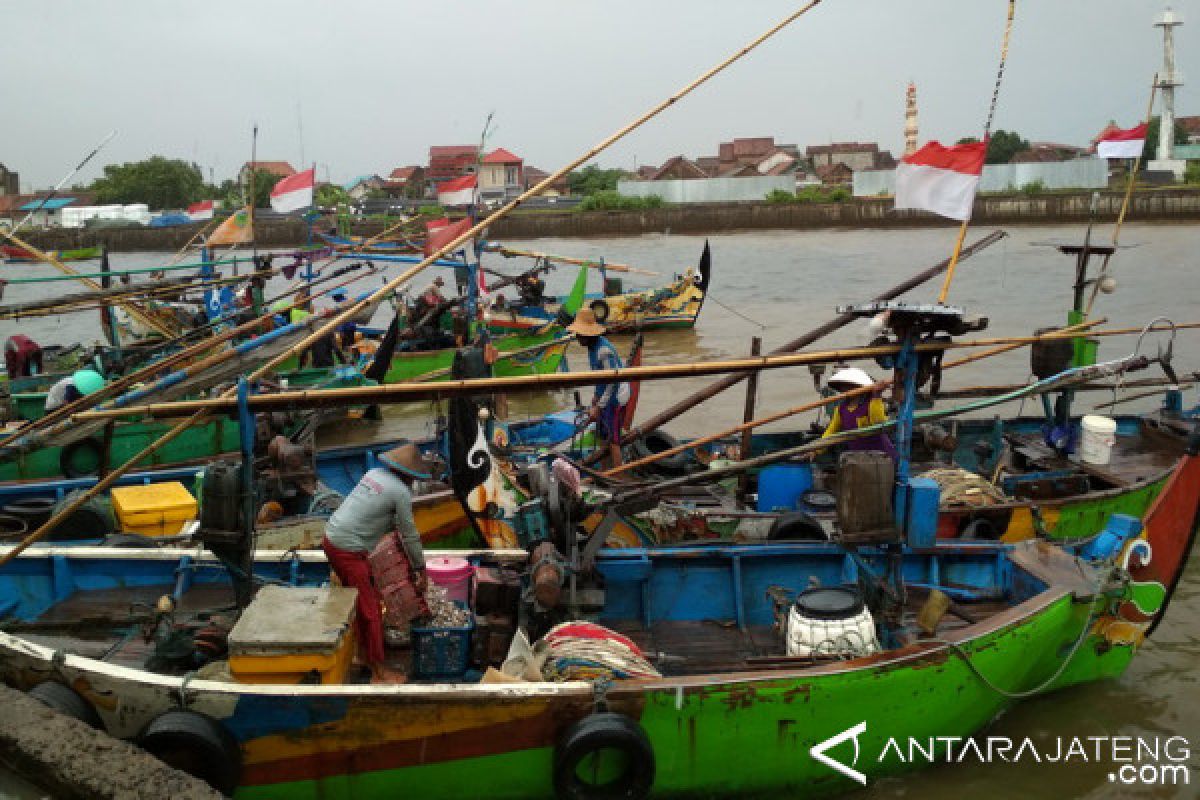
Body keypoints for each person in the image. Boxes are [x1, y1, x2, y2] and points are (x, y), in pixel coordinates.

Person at [322, 443, 432, 682]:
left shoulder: (373, 474)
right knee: (371, 609)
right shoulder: (401, 493)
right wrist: (420, 568)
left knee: (364, 601)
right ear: (409, 475)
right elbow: (409, 534)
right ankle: (378, 672)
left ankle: (363, 655)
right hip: (347, 551)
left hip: (331, 537)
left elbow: (375, 515)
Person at [567, 308, 631, 468]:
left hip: (616, 397)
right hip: (606, 394)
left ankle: (617, 474)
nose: (577, 337)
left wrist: (599, 407)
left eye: (579, 334)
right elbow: (599, 376)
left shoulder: (603, 350)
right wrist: (595, 398)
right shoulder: (591, 348)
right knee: (602, 435)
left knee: (613, 439)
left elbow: (612, 381)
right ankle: (605, 470)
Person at [820, 367, 896, 458]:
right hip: (859, 459)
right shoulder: (841, 409)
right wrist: (815, 450)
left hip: (882, 457)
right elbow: (829, 433)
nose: (846, 388)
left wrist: (877, 395)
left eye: (850, 385)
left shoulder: (872, 403)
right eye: (843, 385)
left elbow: (879, 423)